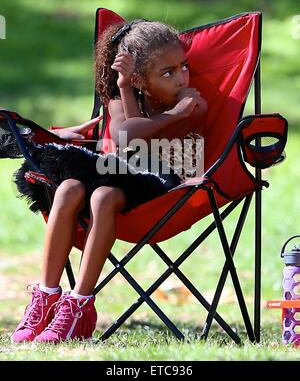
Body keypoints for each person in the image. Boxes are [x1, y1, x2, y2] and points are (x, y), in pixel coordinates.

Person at [11, 19, 207, 343]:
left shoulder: (192, 102)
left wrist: (175, 114)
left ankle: (79, 306)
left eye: (183, 67)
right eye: (168, 72)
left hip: (167, 189)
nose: (181, 77)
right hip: (125, 175)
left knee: (102, 196)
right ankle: (45, 297)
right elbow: (126, 136)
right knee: (69, 187)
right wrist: (127, 89)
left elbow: (139, 142)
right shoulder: (123, 97)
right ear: (140, 79)